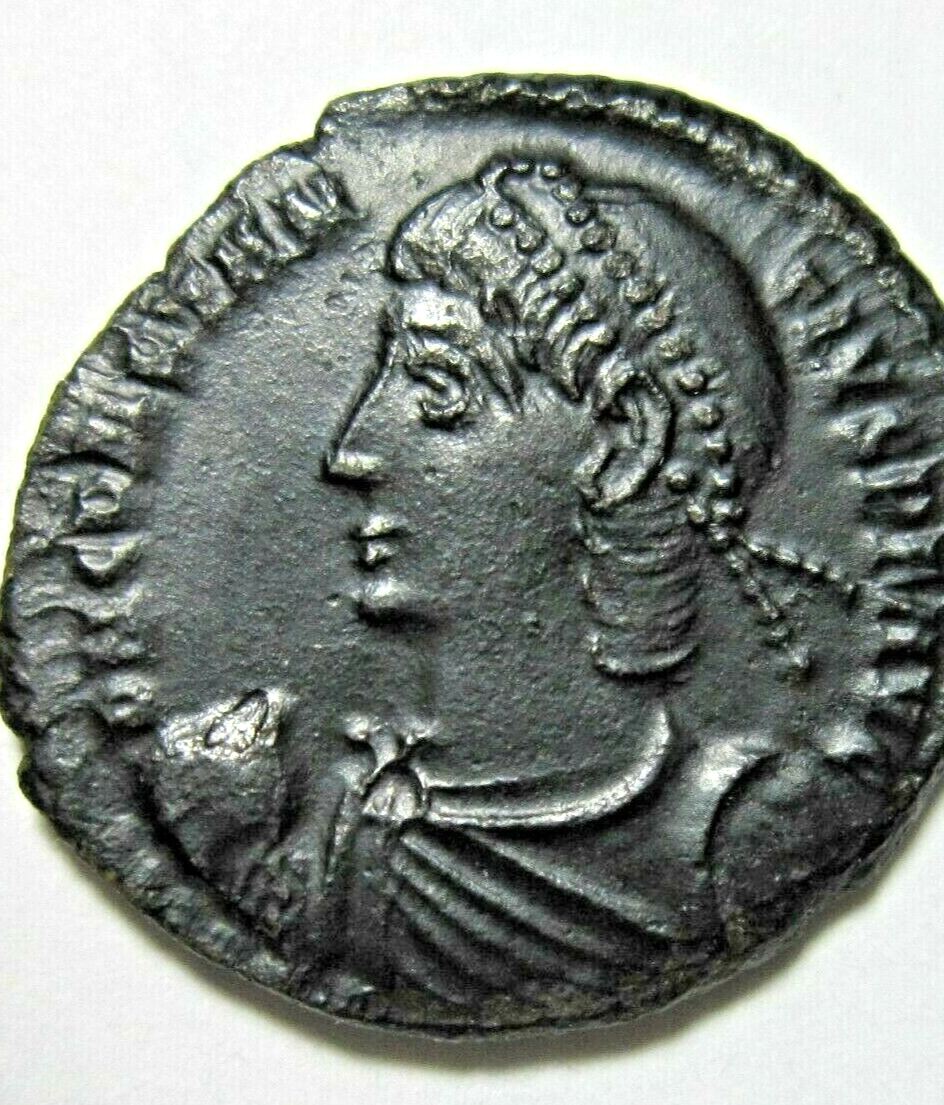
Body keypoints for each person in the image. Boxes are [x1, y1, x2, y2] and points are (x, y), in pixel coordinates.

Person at [145, 158, 891, 1015]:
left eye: (437, 387)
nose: (352, 451)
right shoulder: (294, 818)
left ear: (624, 447)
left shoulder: (736, 844)